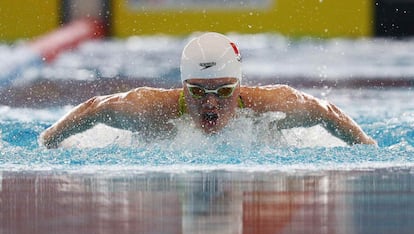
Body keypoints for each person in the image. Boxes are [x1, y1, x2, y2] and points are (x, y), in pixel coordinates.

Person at [40, 32, 377, 148]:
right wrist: (50, 142)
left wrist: (365, 147)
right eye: (198, 91)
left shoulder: (274, 105)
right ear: (183, 86)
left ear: (239, 85)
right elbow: (96, 107)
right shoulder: (151, 108)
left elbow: (324, 111)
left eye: (223, 90)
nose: (211, 102)